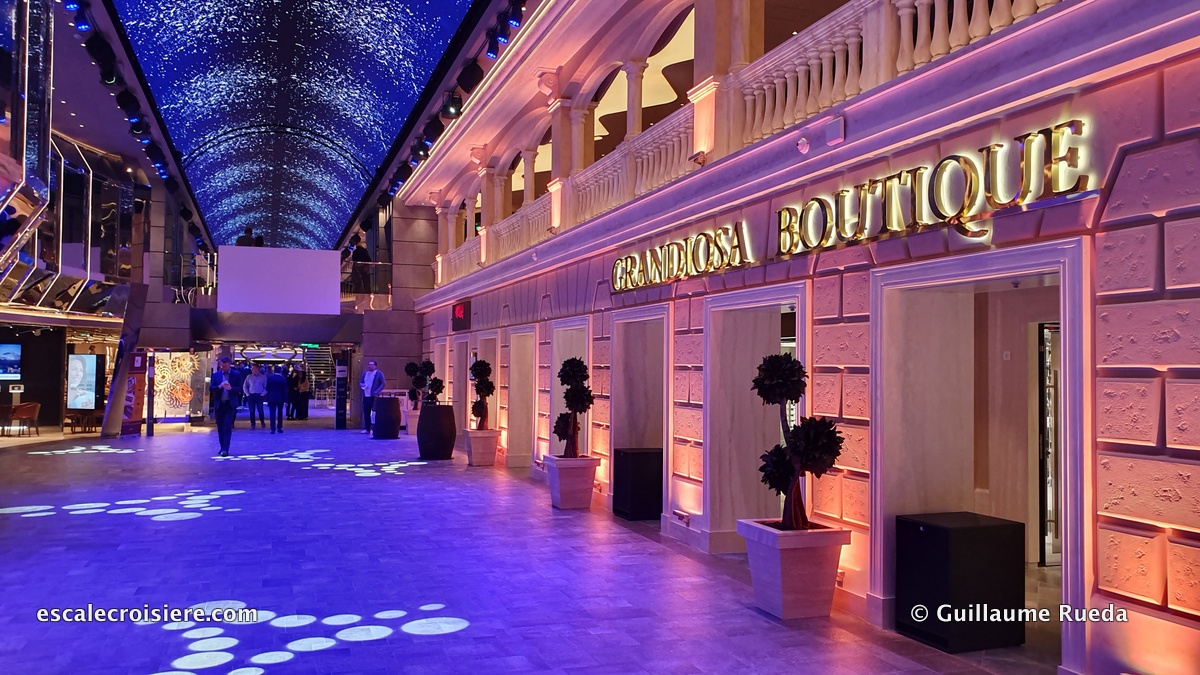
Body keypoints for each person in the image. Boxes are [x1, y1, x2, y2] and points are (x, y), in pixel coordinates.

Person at [209, 356, 242, 456]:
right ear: (220, 365)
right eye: (222, 366)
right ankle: (222, 447)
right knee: (220, 427)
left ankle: (225, 449)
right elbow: (211, 388)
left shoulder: (236, 374)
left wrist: (231, 388)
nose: (224, 368)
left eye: (226, 366)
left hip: (230, 404)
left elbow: (240, 389)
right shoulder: (216, 375)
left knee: (227, 426)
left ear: (229, 365)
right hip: (219, 404)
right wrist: (219, 386)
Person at [360, 360, 385, 434]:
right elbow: (361, 382)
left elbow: (383, 383)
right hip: (366, 395)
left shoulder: (378, 373)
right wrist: (362, 385)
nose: (369, 366)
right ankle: (367, 428)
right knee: (366, 413)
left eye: (371, 365)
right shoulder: (365, 373)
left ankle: (375, 428)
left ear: (375, 366)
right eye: (369, 364)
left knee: (374, 413)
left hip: (373, 396)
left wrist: (377, 391)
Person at [242, 363, 268, 430]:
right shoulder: (249, 377)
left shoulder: (263, 377)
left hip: (259, 395)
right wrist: (247, 394)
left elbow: (266, 387)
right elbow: (245, 386)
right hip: (251, 395)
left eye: (254, 368)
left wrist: (262, 394)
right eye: (252, 368)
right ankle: (252, 425)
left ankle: (262, 422)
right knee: (251, 411)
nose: (252, 370)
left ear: (257, 369)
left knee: (260, 410)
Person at [266, 365, 288, 434]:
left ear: (274, 370)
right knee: (280, 412)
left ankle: (272, 429)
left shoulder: (270, 378)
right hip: (280, 398)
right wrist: (286, 400)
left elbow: (267, 388)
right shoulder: (283, 379)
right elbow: (285, 390)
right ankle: (279, 427)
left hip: (271, 398)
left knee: (272, 413)